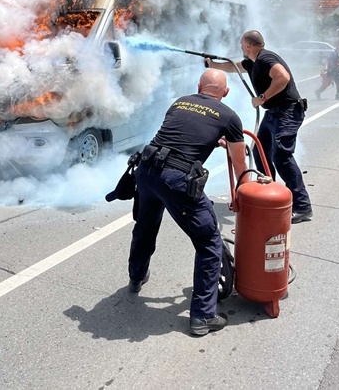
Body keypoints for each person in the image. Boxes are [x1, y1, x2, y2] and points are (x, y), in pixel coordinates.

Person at [128, 69, 249, 336]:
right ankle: (203, 317)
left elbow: (183, 133)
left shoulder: (179, 101)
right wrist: (244, 190)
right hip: (177, 179)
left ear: (199, 87)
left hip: (147, 170)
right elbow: (240, 162)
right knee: (208, 242)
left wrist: (212, 139)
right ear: (225, 93)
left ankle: (136, 277)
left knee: (145, 226)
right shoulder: (229, 116)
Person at [207, 30, 313, 224]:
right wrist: (213, 65)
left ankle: (303, 207)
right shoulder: (254, 62)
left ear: (248, 45)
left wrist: (262, 98)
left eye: (241, 44)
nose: (240, 47)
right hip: (274, 113)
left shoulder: (265, 58)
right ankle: (268, 195)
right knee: (260, 152)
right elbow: (236, 67)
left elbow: (282, 77)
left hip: (287, 112)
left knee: (281, 156)